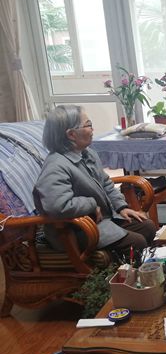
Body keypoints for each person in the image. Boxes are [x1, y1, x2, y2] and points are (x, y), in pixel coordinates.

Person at [34, 105, 156, 258]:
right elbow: (57, 206)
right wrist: (91, 204)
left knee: (148, 227)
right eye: (88, 125)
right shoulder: (56, 166)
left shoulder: (88, 154)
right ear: (71, 134)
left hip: (102, 220)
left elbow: (106, 183)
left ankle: (129, 263)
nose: (92, 129)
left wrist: (121, 207)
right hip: (75, 230)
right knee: (137, 242)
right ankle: (121, 269)